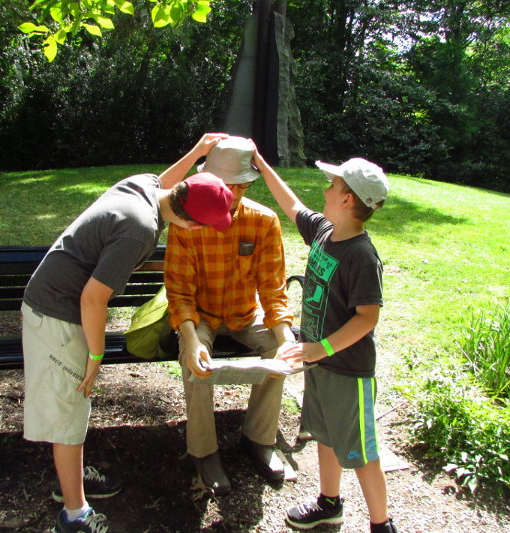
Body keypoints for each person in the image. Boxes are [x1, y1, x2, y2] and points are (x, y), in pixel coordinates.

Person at [21, 133, 234, 533]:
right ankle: (73, 515)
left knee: (74, 409)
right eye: (203, 225)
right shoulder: (139, 229)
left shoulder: (146, 186)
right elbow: (92, 299)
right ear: (187, 221)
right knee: (69, 409)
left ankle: (73, 478)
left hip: (58, 303)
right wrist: (96, 358)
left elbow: (166, 178)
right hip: (58, 313)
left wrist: (197, 152)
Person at [253, 151, 398, 533]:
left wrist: (321, 348)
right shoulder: (324, 232)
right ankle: (329, 502)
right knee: (324, 434)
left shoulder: (362, 256)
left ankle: (382, 525)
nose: (325, 189)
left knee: (360, 452)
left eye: (333, 186)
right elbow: (291, 205)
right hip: (320, 362)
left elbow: (368, 317)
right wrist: (260, 163)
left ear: (348, 200)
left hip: (347, 371)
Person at [164, 136, 296, 496]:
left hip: (243, 313)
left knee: (276, 351)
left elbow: (272, 288)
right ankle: (204, 453)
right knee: (195, 361)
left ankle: (259, 439)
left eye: (241, 184)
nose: (234, 192)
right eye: (226, 184)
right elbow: (179, 292)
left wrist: (287, 341)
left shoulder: (264, 221)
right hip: (201, 316)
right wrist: (191, 340)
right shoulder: (187, 223)